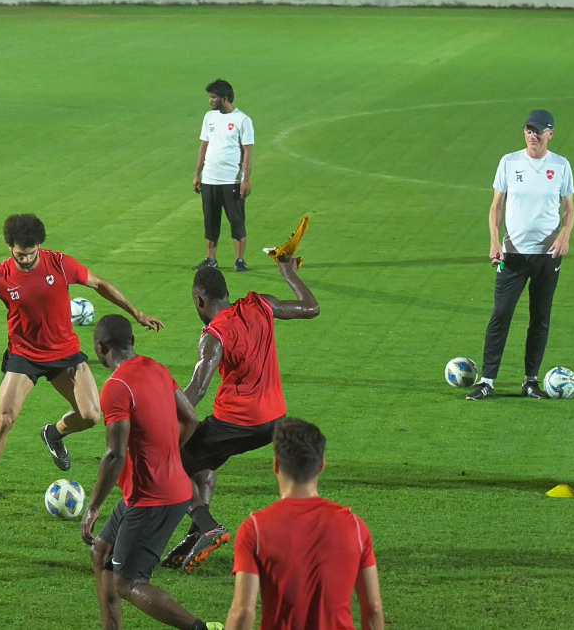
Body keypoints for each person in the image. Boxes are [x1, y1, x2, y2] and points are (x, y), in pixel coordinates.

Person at [0, 213, 163, 499]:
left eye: (31, 254)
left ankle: (54, 434)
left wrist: (136, 313)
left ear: (39, 246)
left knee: (91, 415)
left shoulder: (60, 263)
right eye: (20, 255)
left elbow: (100, 284)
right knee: (5, 419)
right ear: (10, 247)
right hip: (24, 357)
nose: (26, 260)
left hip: (66, 354)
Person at [163, 255, 320, 573]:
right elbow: (310, 307)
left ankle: (206, 526)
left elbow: (197, 389)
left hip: (236, 423)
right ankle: (197, 536)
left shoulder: (214, 335)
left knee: (167, 465)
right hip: (274, 420)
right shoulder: (259, 303)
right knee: (199, 459)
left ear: (199, 299)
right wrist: (288, 272)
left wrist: (159, 417)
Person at [81, 315, 221, 630]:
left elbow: (114, 454)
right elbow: (190, 418)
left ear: (100, 347)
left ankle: (201, 628)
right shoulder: (156, 367)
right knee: (100, 552)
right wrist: (166, 452)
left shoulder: (116, 387)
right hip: (157, 490)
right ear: (132, 341)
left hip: (152, 497)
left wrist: (92, 508)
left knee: (128, 582)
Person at [224, 418, 384, 630]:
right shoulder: (354, 526)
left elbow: (243, 612)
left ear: (276, 465)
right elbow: (372, 608)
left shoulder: (256, 528)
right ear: (321, 466)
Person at [466, 109, 574, 400]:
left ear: (550, 133)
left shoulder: (561, 166)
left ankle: (531, 381)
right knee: (501, 314)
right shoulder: (509, 162)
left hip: (547, 256)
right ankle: (487, 380)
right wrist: (493, 241)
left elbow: (569, 208)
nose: (533, 135)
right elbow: (496, 207)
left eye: (539, 131)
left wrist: (565, 234)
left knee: (540, 317)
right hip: (512, 255)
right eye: (529, 130)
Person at [192, 79, 254, 273]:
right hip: (210, 179)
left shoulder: (242, 120)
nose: (210, 101)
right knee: (210, 220)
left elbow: (247, 152)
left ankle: (240, 259)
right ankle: (211, 259)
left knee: (236, 220)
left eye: (213, 97)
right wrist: (197, 174)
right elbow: (204, 146)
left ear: (225, 98)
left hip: (232, 179)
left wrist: (245, 179)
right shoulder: (209, 117)